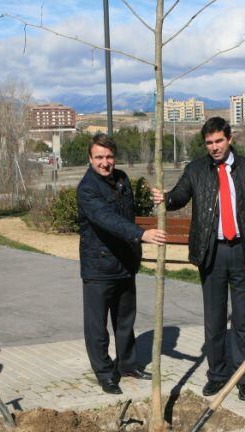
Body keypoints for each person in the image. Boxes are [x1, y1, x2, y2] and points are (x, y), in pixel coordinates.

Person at [152, 116, 245, 401]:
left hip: (244, 252)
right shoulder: (196, 169)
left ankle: (244, 376)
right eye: (209, 143)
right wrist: (166, 199)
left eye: (219, 141)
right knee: (214, 320)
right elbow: (181, 195)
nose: (215, 147)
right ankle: (217, 375)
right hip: (212, 253)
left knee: (244, 320)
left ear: (230, 139)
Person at [77, 134, 166, 395]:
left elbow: (127, 213)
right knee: (97, 326)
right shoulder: (87, 189)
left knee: (125, 320)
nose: (105, 163)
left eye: (109, 157)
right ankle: (105, 373)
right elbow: (106, 219)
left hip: (125, 264)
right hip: (99, 267)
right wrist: (141, 235)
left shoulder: (122, 179)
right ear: (90, 159)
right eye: (99, 158)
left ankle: (127, 364)